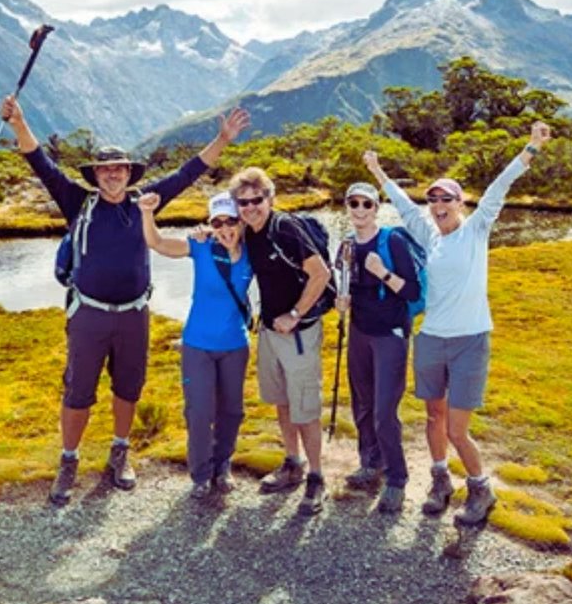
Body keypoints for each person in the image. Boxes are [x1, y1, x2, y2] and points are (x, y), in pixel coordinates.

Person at [0, 95, 250, 506]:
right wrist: (20, 124)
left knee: (128, 388)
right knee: (78, 390)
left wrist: (222, 140)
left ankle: (120, 452)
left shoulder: (145, 200)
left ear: (129, 173)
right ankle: (69, 461)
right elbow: (39, 163)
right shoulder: (77, 202)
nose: (113, 174)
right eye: (105, 169)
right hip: (89, 314)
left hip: (134, 314)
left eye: (119, 169)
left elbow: (189, 173)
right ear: (96, 174)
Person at [364, 121, 551, 526]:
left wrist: (531, 149)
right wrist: (378, 174)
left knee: (457, 429)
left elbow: (499, 187)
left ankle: (481, 488)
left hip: (470, 340)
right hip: (431, 338)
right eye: (433, 199)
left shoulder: (477, 229)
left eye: (445, 198)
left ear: (460, 203)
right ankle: (440, 481)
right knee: (434, 417)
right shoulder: (429, 235)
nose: (437, 204)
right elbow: (403, 205)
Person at [228, 166, 333, 516]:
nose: (250, 207)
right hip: (270, 332)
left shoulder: (284, 228)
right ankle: (293, 463)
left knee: (305, 407)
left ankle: (317, 477)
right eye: (243, 202)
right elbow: (225, 236)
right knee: (282, 401)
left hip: (299, 333)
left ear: (270, 199)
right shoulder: (250, 231)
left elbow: (321, 274)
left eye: (257, 200)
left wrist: (296, 314)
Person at [138, 190, 254, 500]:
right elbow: (157, 243)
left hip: (235, 345)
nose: (225, 229)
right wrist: (148, 213)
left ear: (241, 221)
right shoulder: (201, 247)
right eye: (218, 222)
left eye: (231, 221)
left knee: (232, 411)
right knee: (200, 412)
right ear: (210, 224)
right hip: (197, 345)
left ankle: (223, 465)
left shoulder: (253, 251)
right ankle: (201, 474)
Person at [335, 181, 421, 514]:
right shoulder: (344, 246)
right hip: (359, 332)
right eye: (353, 203)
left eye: (366, 204)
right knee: (363, 405)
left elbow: (411, 292)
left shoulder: (393, 241)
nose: (359, 210)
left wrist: (382, 272)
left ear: (377, 207)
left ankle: (397, 479)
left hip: (391, 334)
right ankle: (370, 463)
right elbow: (341, 287)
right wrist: (340, 302)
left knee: (385, 412)